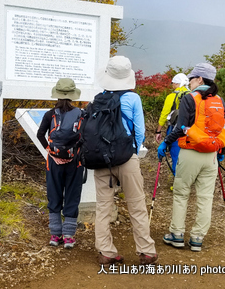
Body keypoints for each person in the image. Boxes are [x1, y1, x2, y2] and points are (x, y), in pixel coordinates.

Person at [93, 56, 158, 266]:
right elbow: (139, 131)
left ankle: (106, 252)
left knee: (103, 207)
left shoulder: (98, 99)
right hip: (126, 157)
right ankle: (146, 251)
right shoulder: (133, 99)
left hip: (102, 159)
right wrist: (132, 152)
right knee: (137, 205)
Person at [158, 63, 225, 252]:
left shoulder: (190, 98)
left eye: (191, 79)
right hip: (212, 156)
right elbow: (223, 129)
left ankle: (177, 234)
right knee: (205, 197)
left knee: (181, 194)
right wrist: (220, 152)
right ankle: (197, 238)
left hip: (190, 152)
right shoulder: (220, 101)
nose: (189, 82)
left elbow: (181, 128)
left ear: (199, 79)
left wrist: (165, 142)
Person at [37, 78, 84, 249]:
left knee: (54, 194)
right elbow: (85, 138)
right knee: (72, 195)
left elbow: (40, 135)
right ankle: (69, 236)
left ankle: (55, 235)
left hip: (53, 161)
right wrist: (76, 154)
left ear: (56, 94)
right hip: (75, 162)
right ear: (73, 95)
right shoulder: (81, 114)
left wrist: (51, 152)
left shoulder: (49, 114)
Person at [155, 73, 190, 175]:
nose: (172, 85)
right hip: (192, 130)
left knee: (176, 154)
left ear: (177, 84)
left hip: (175, 129)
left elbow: (164, 114)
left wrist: (158, 131)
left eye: (173, 83)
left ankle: (178, 181)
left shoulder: (172, 96)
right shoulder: (193, 95)